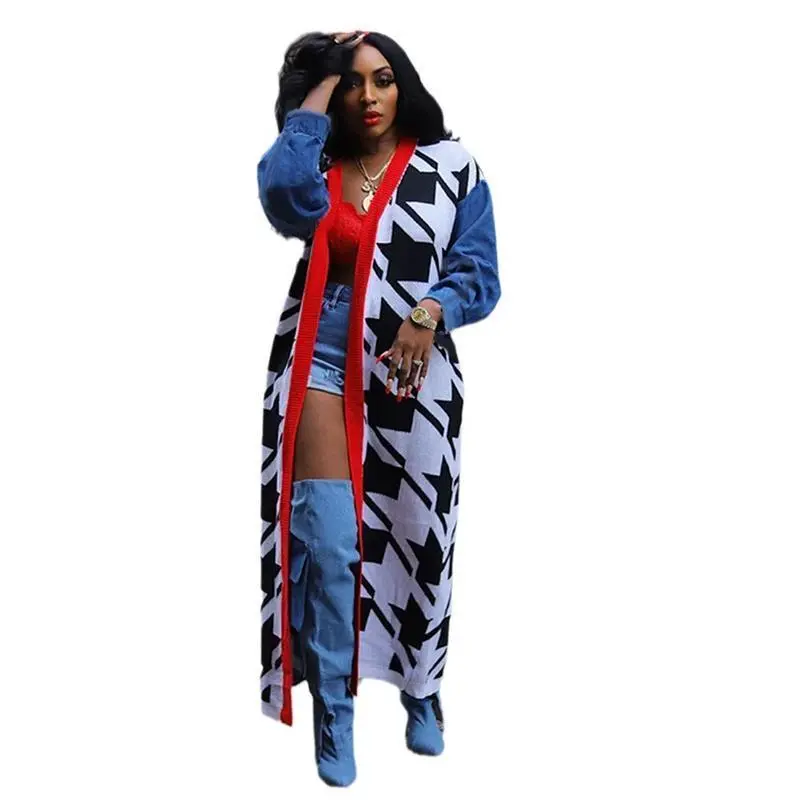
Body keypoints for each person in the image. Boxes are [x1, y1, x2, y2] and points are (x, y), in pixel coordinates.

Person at [257, 30, 500, 787]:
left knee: (419, 540)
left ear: (405, 85)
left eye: (382, 79)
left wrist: (431, 310)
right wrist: (314, 91)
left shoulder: (451, 168)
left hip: (411, 377)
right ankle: (334, 708)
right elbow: (280, 194)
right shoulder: (319, 166)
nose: (368, 96)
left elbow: (480, 271)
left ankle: (422, 686)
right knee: (330, 546)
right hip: (322, 367)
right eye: (350, 83)